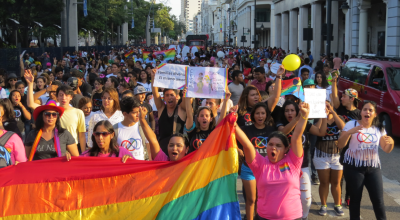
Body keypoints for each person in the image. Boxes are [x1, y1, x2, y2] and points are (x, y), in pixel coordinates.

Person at [236, 102, 310, 220]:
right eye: (270, 144)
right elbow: (247, 145)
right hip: (264, 217)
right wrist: (233, 124)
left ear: (286, 149)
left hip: (293, 217)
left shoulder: (293, 161)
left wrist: (304, 116)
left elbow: (296, 137)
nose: (273, 147)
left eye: (278, 145)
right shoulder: (260, 163)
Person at [338, 101, 394, 220]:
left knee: (378, 201)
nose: (367, 112)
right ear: (361, 112)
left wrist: (392, 143)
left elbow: (386, 149)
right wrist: (349, 133)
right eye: (365, 109)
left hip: (373, 168)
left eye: (370, 110)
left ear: (374, 114)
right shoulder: (351, 124)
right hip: (353, 167)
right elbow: (340, 144)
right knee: (355, 201)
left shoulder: (379, 128)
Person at [277, 100, 328, 219]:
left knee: (306, 199)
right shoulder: (280, 123)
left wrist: (323, 115)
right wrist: (299, 118)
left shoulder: (305, 123)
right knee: (285, 197)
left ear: (297, 111)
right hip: (284, 166)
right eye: (287, 111)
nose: (289, 113)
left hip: (303, 166)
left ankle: (303, 217)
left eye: (292, 110)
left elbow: (321, 132)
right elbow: (284, 132)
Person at [237, 102, 276, 220]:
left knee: (262, 198)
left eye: (263, 113)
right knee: (251, 200)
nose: (260, 116)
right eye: (257, 113)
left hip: (266, 170)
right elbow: (231, 133)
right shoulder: (245, 129)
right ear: (253, 115)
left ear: (266, 115)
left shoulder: (272, 130)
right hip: (248, 169)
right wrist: (238, 149)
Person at [313, 102, 345, 216]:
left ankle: (337, 205)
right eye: (324, 107)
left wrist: (333, 113)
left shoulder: (339, 117)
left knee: (336, 182)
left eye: (328, 106)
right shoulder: (319, 118)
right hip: (322, 155)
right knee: (324, 182)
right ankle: (323, 205)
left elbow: (343, 127)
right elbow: (316, 130)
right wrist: (323, 116)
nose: (326, 109)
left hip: (336, 155)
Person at [151, 70, 186, 154]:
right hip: (162, 148)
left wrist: (186, 91)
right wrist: (153, 78)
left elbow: (186, 101)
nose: (169, 97)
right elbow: (155, 94)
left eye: (172, 95)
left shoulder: (181, 109)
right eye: (167, 95)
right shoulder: (161, 108)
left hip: (177, 150)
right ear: (164, 98)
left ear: (177, 97)